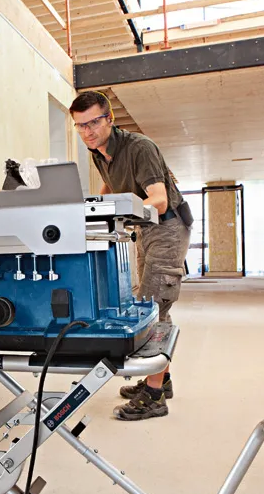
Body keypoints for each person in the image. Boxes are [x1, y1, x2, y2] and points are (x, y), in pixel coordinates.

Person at [69, 91, 192, 421]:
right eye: (80, 126)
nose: (88, 132)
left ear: (110, 118)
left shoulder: (139, 147)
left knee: (152, 307)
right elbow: (112, 188)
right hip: (145, 231)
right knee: (147, 304)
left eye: (94, 122)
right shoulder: (98, 151)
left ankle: (154, 397)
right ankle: (160, 380)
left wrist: (117, 211)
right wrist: (94, 207)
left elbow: (159, 200)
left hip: (166, 228)